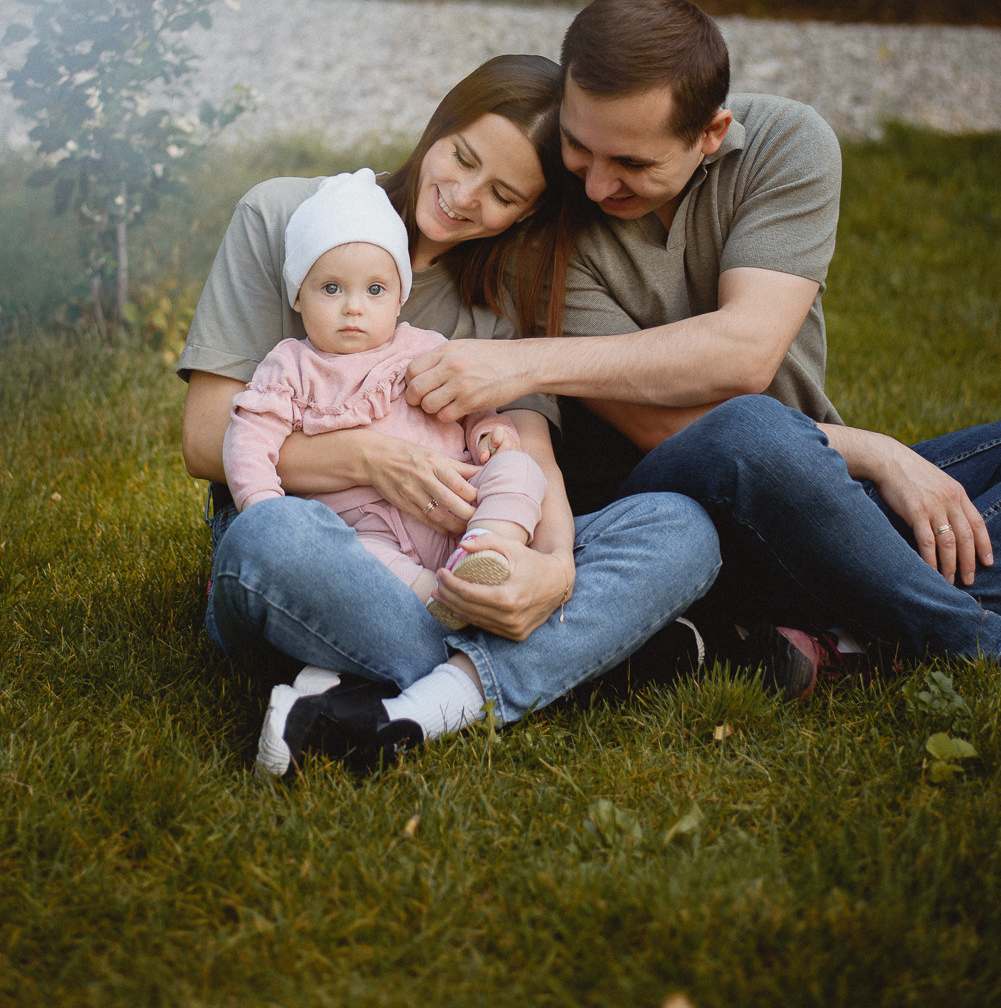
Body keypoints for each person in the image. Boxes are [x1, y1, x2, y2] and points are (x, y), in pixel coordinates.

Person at [403, 0, 1001, 686]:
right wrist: (871, 453)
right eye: (577, 145)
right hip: (676, 514)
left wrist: (877, 455)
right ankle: (969, 640)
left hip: (821, 490)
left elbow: (743, 350)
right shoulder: (543, 222)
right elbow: (673, 430)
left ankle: (847, 629)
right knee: (752, 431)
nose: (594, 185)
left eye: (631, 163)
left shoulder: (783, 144)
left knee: (784, 441)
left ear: (709, 135)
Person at [179, 55, 721, 776]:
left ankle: (397, 706)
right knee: (274, 535)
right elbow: (206, 440)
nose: (463, 196)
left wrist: (553, 569)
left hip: (460, 549)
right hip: (320, 547)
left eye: (500, 193)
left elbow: (527, 459)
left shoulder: (502, 293)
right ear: (437, 126)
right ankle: (586, 656)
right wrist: (367, 458)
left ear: (528, 209)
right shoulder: (288, 215)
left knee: (678, 527)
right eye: (461, 157)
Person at [222, 166, 547, 630]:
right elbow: (249, 440)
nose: (354, 306)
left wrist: (489, 432)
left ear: (399, 298)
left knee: (521, 469)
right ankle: (440, 603)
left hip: (460, 509)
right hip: (364, 530)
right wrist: (265, 511)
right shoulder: (290, 367)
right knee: (357, 561)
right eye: (331, 288)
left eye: (375, 290)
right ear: (298, 297)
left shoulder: (425, 349)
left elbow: (474, 409)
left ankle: (491, 550)